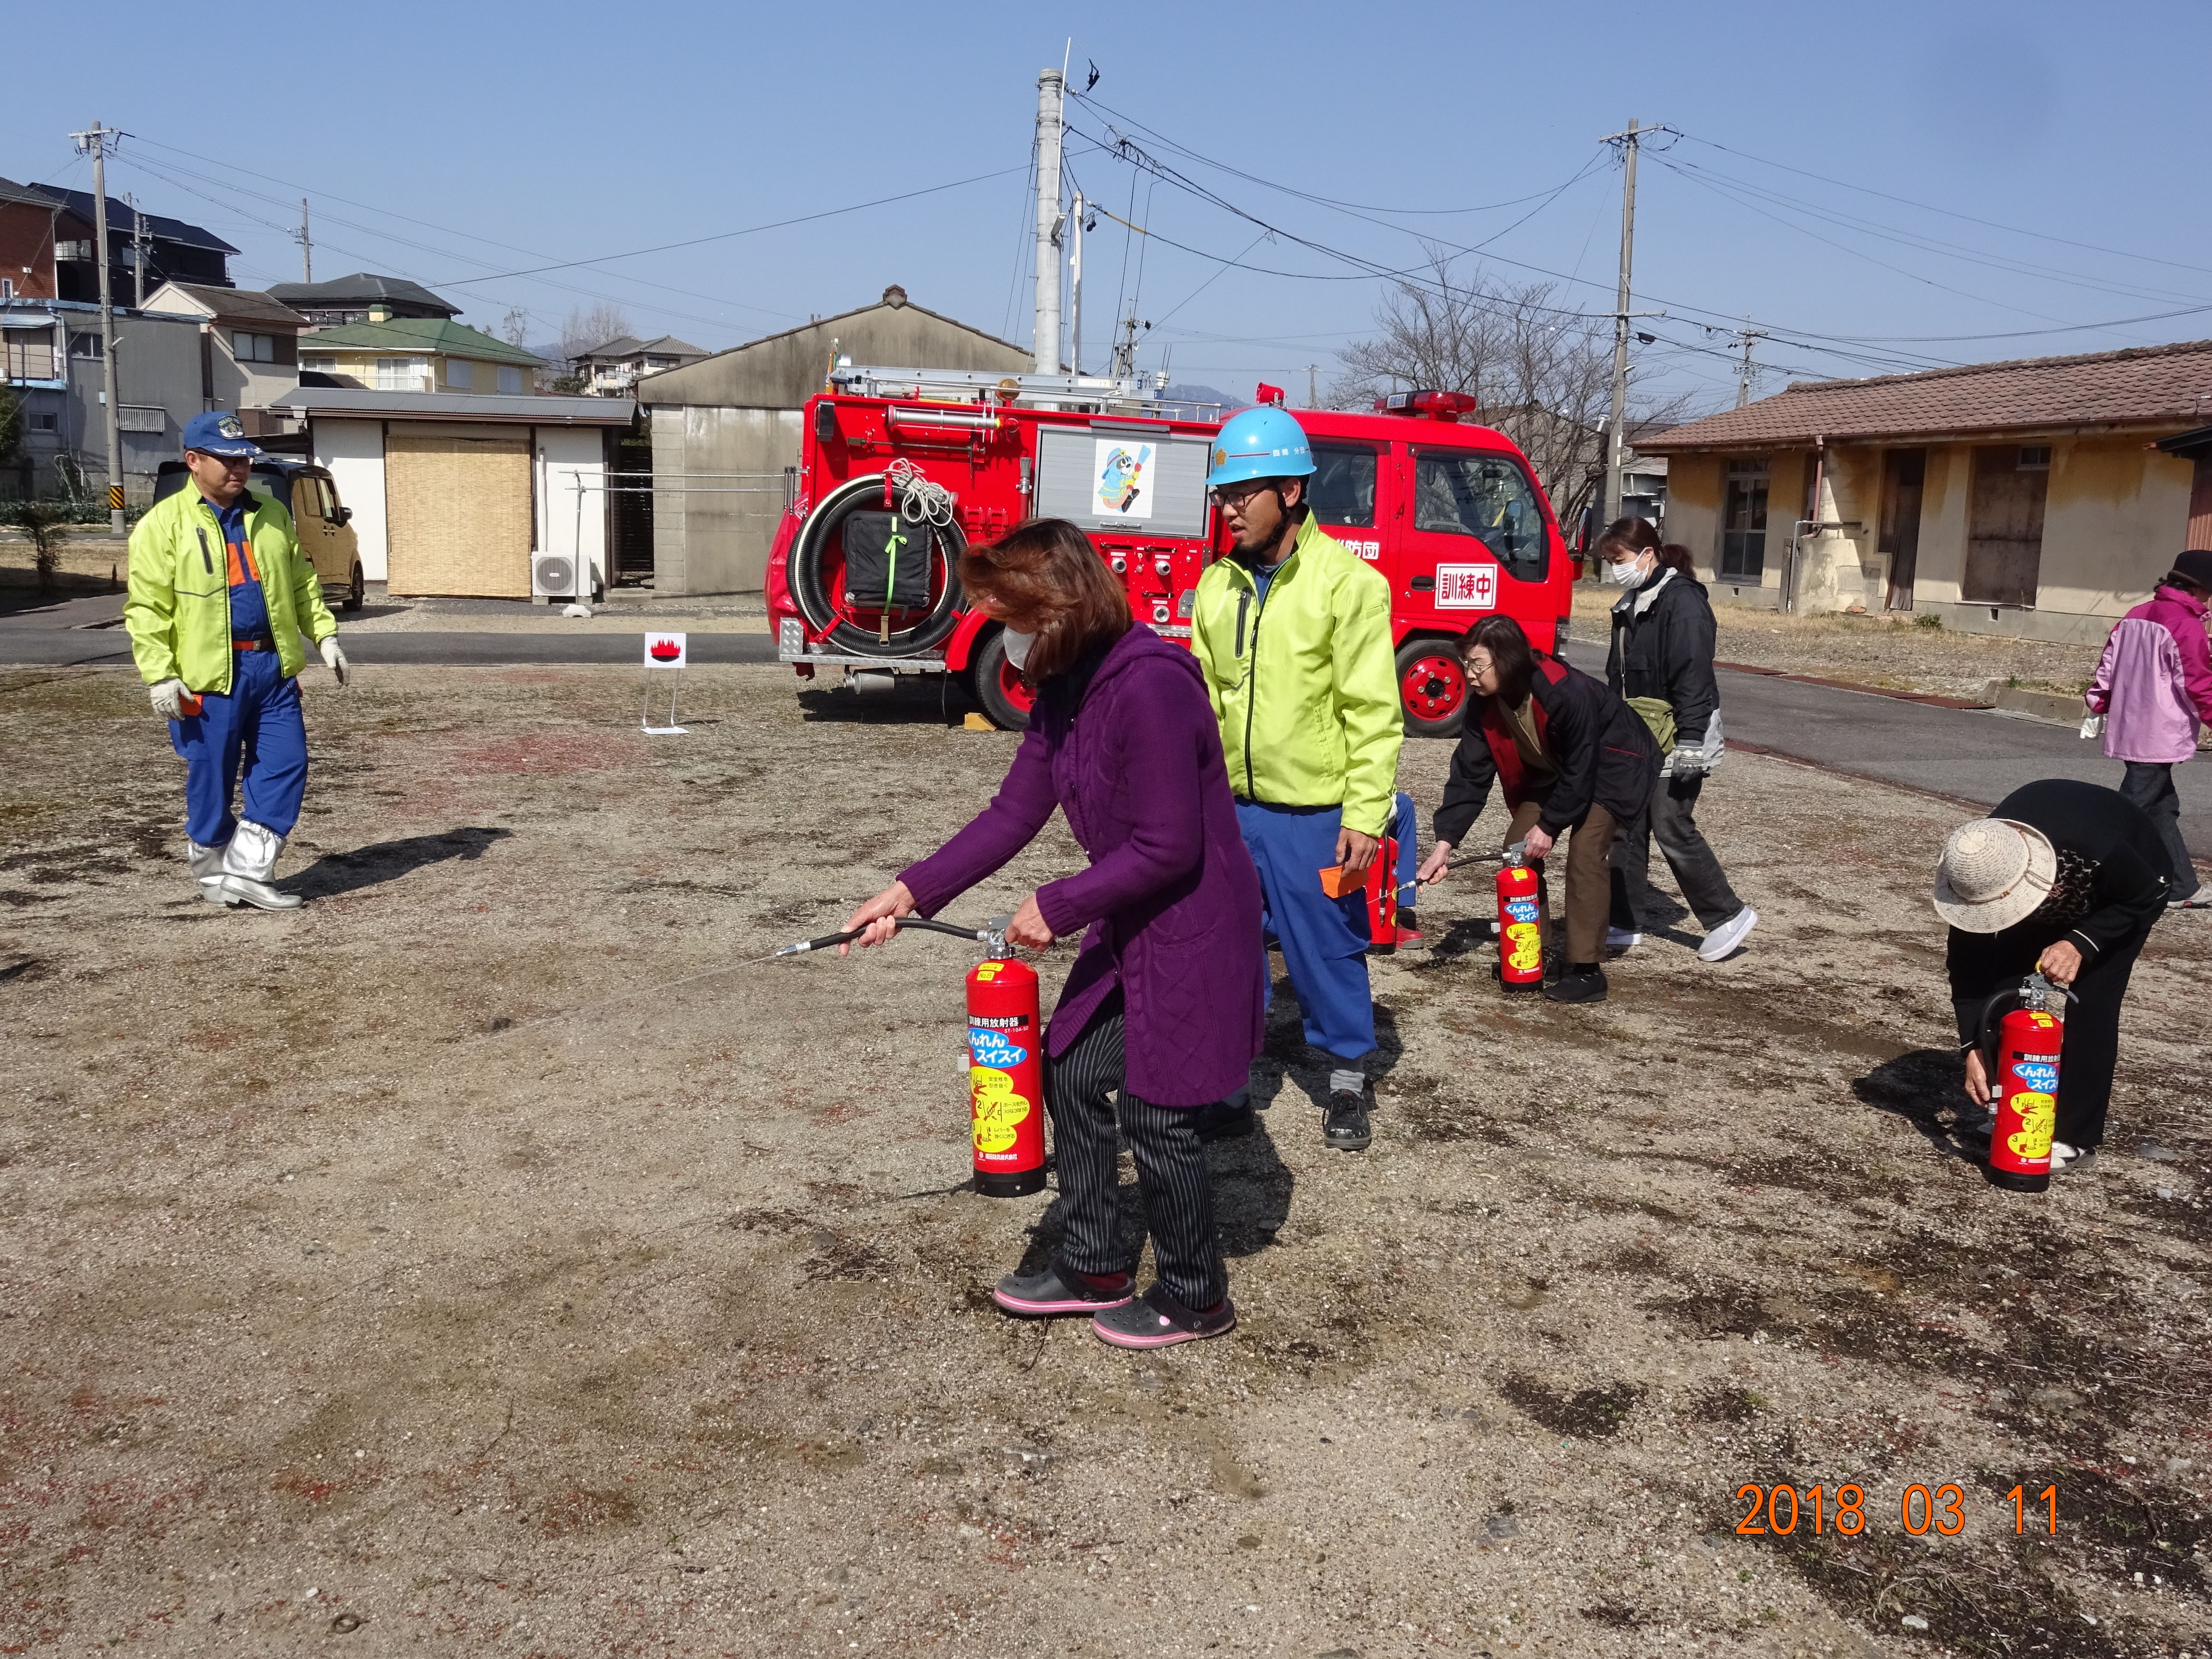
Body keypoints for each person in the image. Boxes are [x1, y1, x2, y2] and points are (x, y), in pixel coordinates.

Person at [841, 519, 1264, 1349]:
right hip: (1129, 916)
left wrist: (1060, 903)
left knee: (1158, 1107)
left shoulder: (1151, 682)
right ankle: (1094, 1260)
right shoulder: (1064, 683)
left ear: (1052, 601)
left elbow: (1169, 845)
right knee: (1068, 1069)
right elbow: (1012, 812)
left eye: (1000, 601)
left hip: (1190, 923)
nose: (990, 617)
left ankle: (1194, 1294)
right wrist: (906, 891)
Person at [1190, 404, 1403, 1152]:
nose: (1226, 508)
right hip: (1229, 812)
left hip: (1315, 813)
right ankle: (1226, 1085)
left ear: (1288, 491)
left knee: (1327, 949)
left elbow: (1373, 713)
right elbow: (1203, 700)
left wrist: (1365, 815)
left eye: (1239, 493)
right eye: (1221, 494)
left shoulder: (1348, 585)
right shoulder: (1214, 588)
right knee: (1227, 951)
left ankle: (1346, 1079)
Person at [124, 411, 347, 910]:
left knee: (286, 764)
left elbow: (301, 585)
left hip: (272, 670)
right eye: (225, 461)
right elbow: (147, 610)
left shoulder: (271, 514)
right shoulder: (162, 526)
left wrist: (325, 637)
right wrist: (160, 674)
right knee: (213, 776)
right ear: (193, 461)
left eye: (243, 460)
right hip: (207, 678)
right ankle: (212, 867)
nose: (238, 470)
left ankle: (249, 870)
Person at [1417, 615, 1657, 1003]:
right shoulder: (1484, 704)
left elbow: (1584, 765)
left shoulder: (1564, 690)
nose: (1471, 675)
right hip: (1559, 772)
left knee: (1585, 852)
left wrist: (1549, 824)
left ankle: (1586, 969)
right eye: (1467, 665)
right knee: (1517, 853)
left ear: (1507, 660)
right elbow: (1470, 773)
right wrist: (1445, 842)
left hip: (1613, 765)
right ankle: (1532, 952)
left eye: (1478, 665)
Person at [1936, 779, 2170, 1173]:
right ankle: (2012, 1108)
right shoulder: (1975, 871)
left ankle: (2075, 1136)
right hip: (2034, 884)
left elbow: (2147, 896)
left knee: (2093, 1003)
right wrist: (1972, 1047)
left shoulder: (2100, 846)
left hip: (2126, 891)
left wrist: (2081, 942)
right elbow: (1967, 970)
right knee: (2006, 990)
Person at [1594, 517, 1760, 961]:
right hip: (1639, 732)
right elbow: (1619, 675)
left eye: (1620, 559)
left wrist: (1690, 740)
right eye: (1610, 561)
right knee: (1625, 824)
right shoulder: (1631, 602)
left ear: (1647, 555)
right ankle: (1624, 921)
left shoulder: (1683, 603)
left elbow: (1693, 676)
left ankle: (1727, 914)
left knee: (1670, 823)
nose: (1615, 569)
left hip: (1681, 732)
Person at [2083, 548, 2212, 904]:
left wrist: (2098, 701)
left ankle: (2183, 888)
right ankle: (2088, 881)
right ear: (2201, 590)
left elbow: (2107, 664)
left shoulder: (2136, 614)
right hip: (2161, 731)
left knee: (2162, 809)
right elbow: (2197, 684)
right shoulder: (2185, 624)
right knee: (2129, 811)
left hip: (2130, 724)